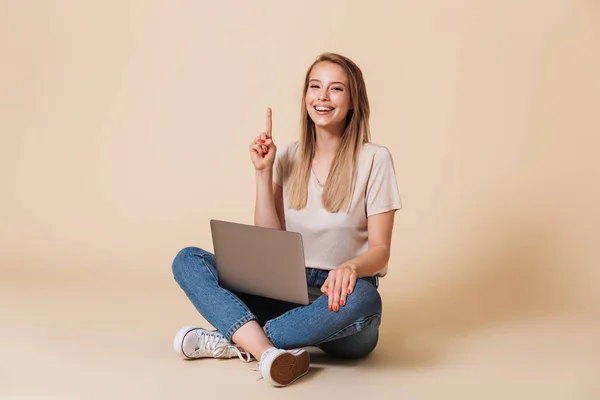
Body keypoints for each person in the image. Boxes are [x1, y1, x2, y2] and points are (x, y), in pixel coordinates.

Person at [171, 52, 402, 387]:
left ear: (353, 101)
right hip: (283, 290)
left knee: (367, 299)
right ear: (306, 96)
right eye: (315, 86)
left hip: (338, 298)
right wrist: (263, 174)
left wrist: (351, 267)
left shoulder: (375, 159)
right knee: (188, 259)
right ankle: (268, 352)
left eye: (335, 89)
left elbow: (381, 250)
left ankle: (243, 339)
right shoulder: (289, 156)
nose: (322, 97)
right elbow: (269, 241)